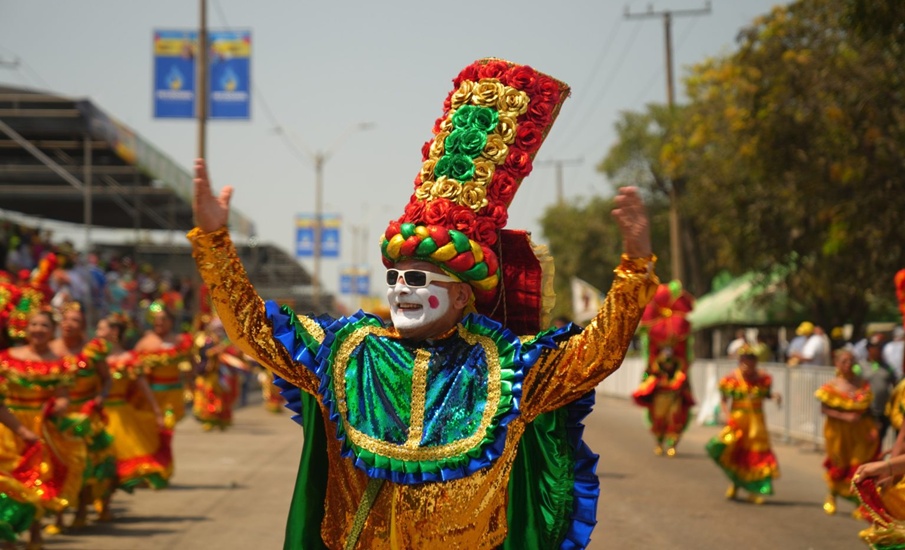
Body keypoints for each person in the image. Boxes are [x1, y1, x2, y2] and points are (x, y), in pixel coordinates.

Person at [189, 58, 659, 549]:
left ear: (461, 295)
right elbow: (254, 330)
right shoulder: (348, 352)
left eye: (417, 278)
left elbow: (597, 355)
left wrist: (635, 268)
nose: (400, 289)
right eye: (394, 276)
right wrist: (214, 241)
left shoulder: (509, 369)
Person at [95, 314, 171, 497]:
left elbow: (143, 388)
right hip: (95, 412)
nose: (97, 333)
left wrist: (157, 412)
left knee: (114, 459)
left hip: (120, 416)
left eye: (101, 328)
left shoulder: (128, 359)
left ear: (114, 332)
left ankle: (105, 502)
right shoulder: (92, 357)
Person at [706, 344, 781, 504]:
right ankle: (736, 484)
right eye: (744, 361)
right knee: (735, 453)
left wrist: (775, 396)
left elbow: (766, 394)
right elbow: (724, 401)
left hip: (757, 422)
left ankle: (755, 489)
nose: (747, 365)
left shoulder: (763, 379)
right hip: (738, 420)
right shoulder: (731, 379)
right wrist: (728, 418)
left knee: (755, 455)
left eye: (751, 361)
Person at [815, 348, 879, 516]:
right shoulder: (831, 386)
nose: (848, 364)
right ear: (837, 363)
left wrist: (873, 428)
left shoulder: (862, 384)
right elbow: (824, 409)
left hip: (860, 431)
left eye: (851, 360)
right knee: (839, 464)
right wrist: (844, 416)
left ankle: (859, 503)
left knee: (859, 465)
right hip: (838, 432)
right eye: (844, 361)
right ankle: (832, 495)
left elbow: (869, 410)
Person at [631, 346, 694, 457]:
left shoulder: (679, 364)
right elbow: (645, 375)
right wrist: (648, 380)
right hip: (659, 398)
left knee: (675, 420)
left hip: (674, 397)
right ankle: (659, 443)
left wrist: (683, 387)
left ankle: (672, 445)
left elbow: (685, 380)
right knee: (659, 420)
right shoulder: (654, 364)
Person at [862, 334, 898, 444]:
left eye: (881, 347)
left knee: (879, 442)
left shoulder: (888, 367)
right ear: (869, 349)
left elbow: (896, 385)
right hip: (866, 412)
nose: (879, 350)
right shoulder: (859, 366)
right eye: (876, 347)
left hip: (883, 412)